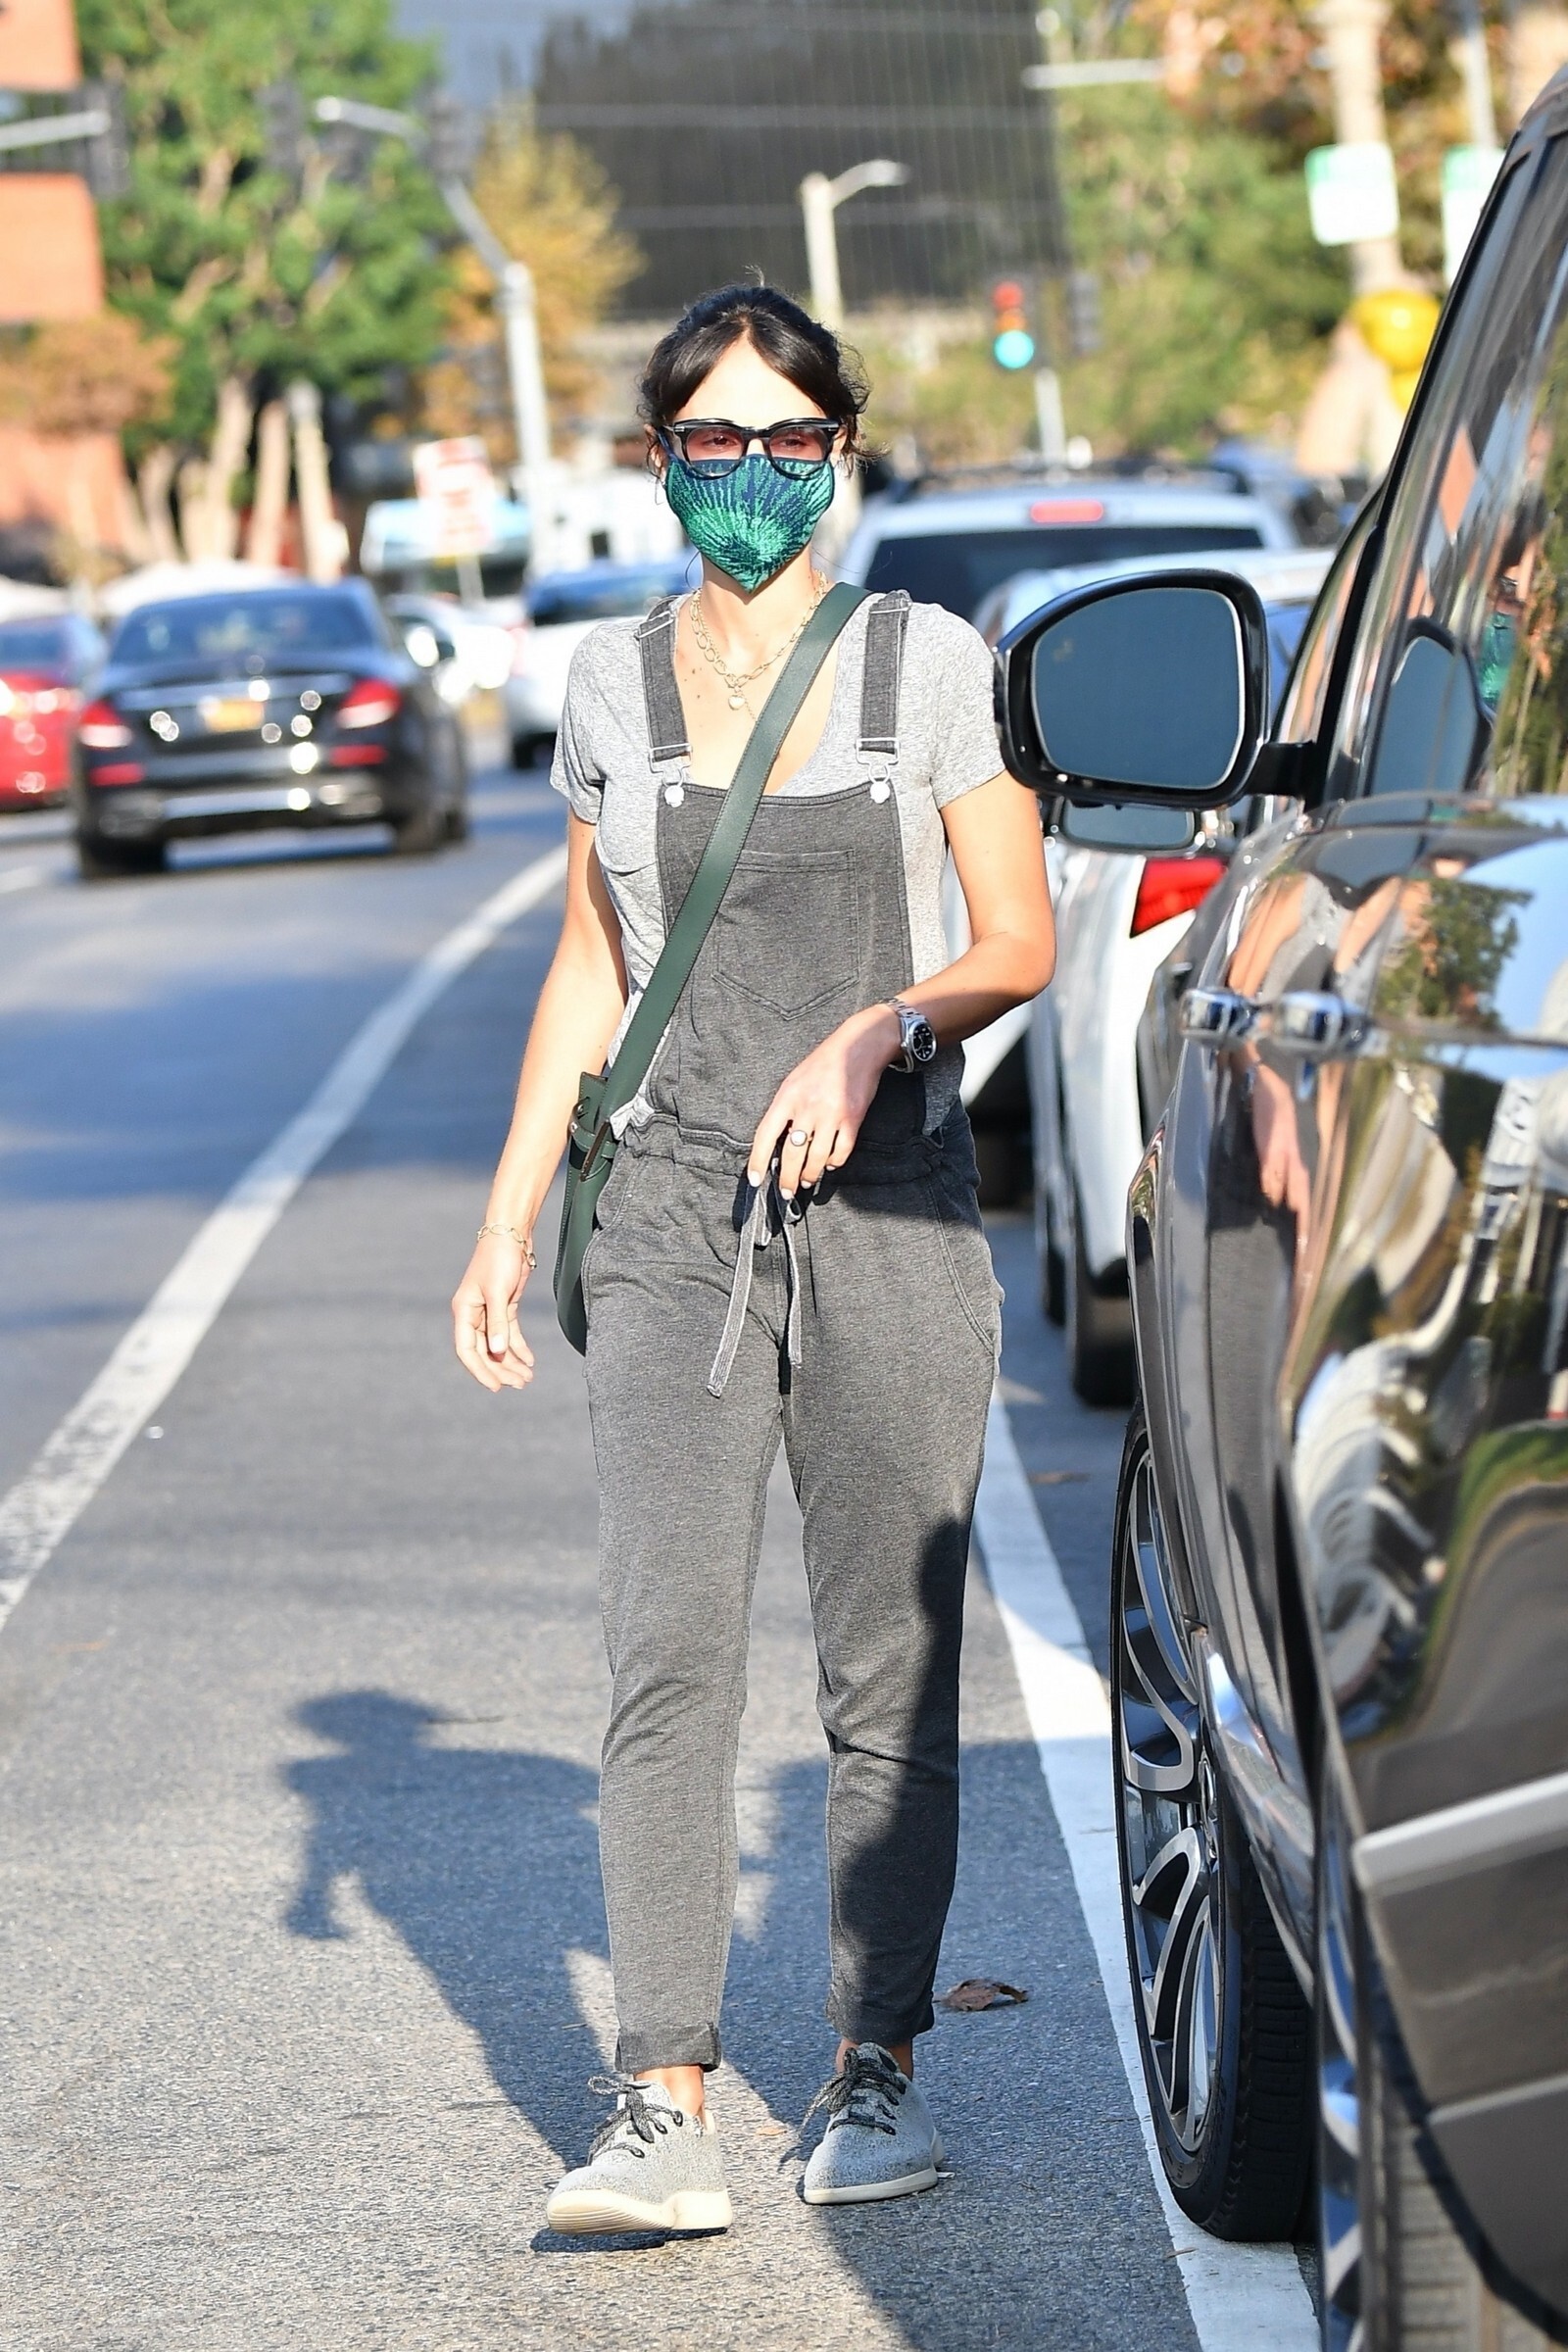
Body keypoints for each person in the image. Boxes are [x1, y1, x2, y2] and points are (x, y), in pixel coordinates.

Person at [452, 283, 1055, 2235]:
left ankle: (875, 2068)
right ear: (660, 459)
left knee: (888, 1658)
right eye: (712, 441)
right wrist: (510, 1211)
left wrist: (882, 1027)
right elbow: (590, 964)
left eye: (789, 441)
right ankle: (663, 2103)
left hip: (887, 1207)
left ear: (838, 454)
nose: (750, 474)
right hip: (671, 1219)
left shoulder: (924, 665)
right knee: (666, 1654)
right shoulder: (609, 686)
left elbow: (1015, 940)